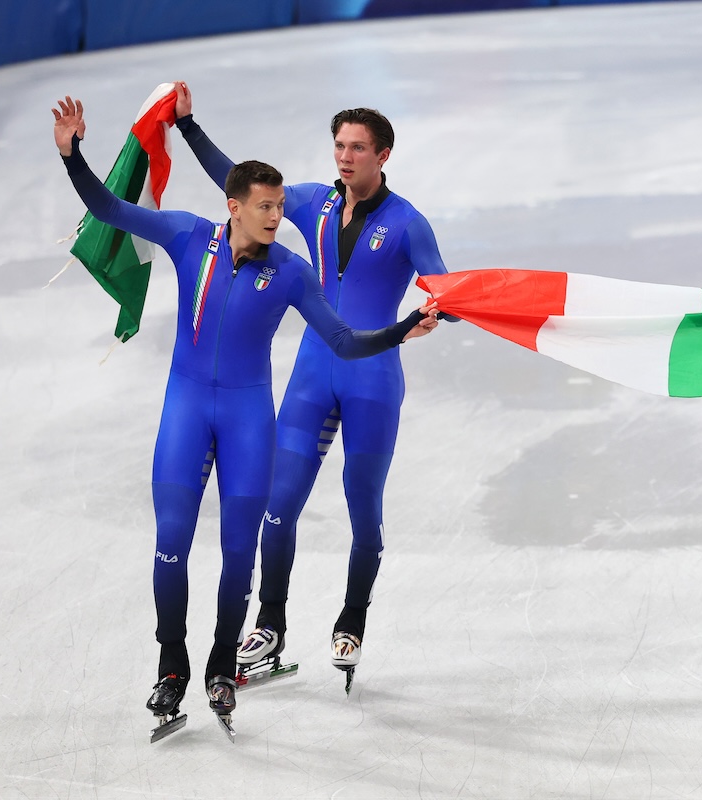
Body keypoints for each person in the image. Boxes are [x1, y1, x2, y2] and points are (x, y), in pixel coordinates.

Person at [52, 95, 439, 728]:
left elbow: (371, 325)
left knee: (305, 528)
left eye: (357, 147)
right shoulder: (198, 232)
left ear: (382, 155)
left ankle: (285, 641)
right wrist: (79, 153)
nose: (279, 215)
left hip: (310, 402)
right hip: (231, 400)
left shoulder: (304, 265)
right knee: (198, 536)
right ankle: (190, 659)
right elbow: (117, 207)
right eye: (267, 206)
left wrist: (409, 327)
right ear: (236, 207)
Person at [169, 82, 451, 680]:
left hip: (373, 382)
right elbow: (237, 182)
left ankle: (351, 620)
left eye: (357, 148)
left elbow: (443, 290)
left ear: (383, 156)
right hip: (311, 376)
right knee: (277, 504)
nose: (344, 157)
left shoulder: (408, 224)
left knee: (362, 510)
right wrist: (189, 127)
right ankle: (270, 624)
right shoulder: (312, 203)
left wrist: (436, 312)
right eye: (339, 146)